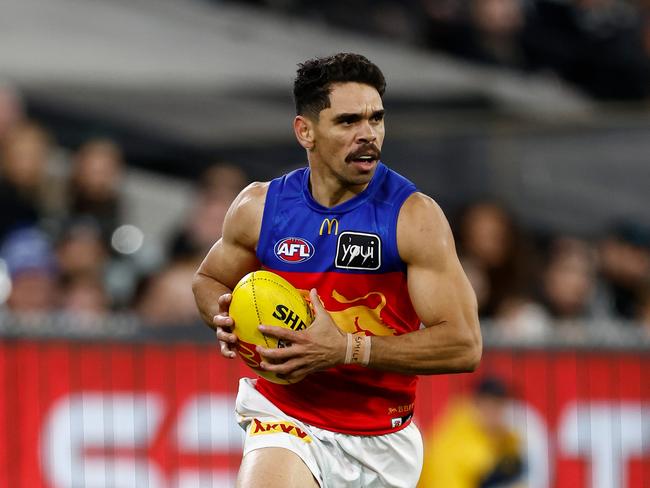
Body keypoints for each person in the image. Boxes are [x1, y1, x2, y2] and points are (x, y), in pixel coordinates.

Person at [192, 53, 482, 488]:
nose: (368, 135)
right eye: (348, 122)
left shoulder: (413, 217)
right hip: (285, 417)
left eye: (376, 119)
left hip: (382, 438)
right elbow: (208, 279)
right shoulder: (260, 207)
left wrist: (345, 349)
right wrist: (226, 318)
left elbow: (464, 345)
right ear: (305, 131)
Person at [418, 377, 525, 488]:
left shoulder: (491, 437)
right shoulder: (458, 435)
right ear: (477, 405)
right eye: (493, 405)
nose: (498, 414)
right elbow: (481, 467)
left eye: (502, 406)